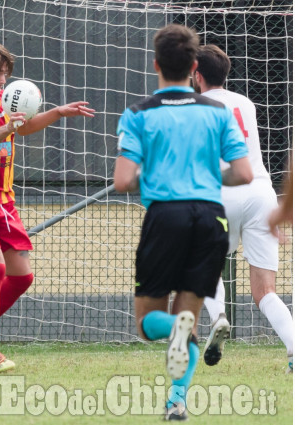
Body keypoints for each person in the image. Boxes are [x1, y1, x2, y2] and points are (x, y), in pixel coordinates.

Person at [113, 25, 253, 420]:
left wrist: (158, 175)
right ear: (194, 68)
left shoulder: (139, 113)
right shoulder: (216, 111)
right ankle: (177, 402)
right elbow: (243, 173)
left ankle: (174, 335)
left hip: (166, 217)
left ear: (156, 64)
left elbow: (123, 181)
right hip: (211, 220)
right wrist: (207, 174)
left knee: (147, 324)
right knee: (187, 319)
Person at [0, 42, 95, 372]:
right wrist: (7, 125)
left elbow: (24, 127)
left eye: (6, 75)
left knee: (22, 276)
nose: (3, 81)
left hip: (3, 203)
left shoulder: (2, 101)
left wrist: (58, 112)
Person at [193, 45, 293, 372]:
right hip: (260, 194)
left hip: (220, 191)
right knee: (264, 290)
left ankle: (219, 316)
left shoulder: (194, 105)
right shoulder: (246, 103)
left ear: (196, 73)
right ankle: (293, 350)